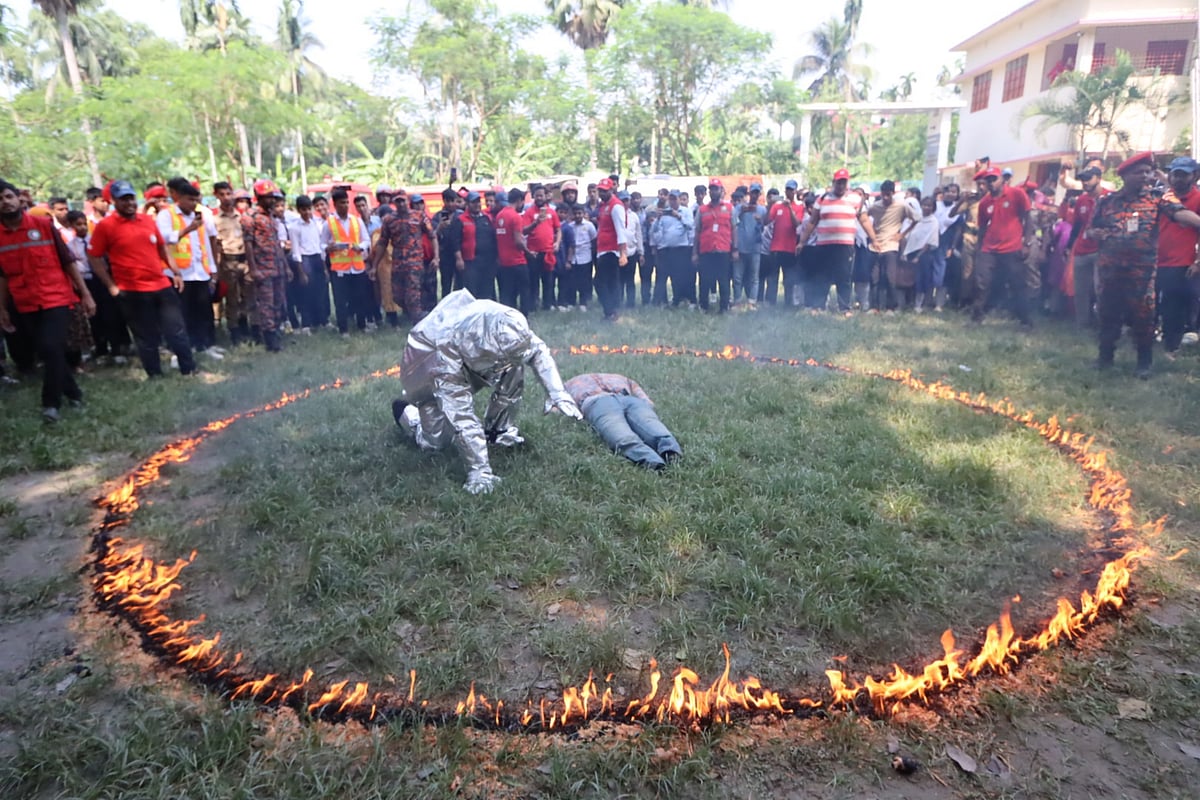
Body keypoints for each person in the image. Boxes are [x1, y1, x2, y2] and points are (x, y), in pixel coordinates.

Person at [390, 289, 583, 494]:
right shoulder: (444, 357)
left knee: (513, 365)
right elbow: (462, 416)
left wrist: (557, 392)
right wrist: (480, 471)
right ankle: (408, 415)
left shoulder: (504, 323)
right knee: (436, 442)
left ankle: (497, 431)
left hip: (474, 360)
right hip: (425, 377)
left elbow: (536, 351)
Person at [1088, 152, 1200, 378]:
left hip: (1141, 272)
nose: (1146, 176)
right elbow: (1090, 230)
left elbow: (1181, 215)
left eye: (1148, 172)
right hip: (1110, 269)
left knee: (1143, 317)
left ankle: (1144, 362)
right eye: (1139, 172)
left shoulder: (1158, 198)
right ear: (1125, 175)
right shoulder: (1106, 201)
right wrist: (1096, 233)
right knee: (1108, 314)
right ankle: (1105, 358)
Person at [0, 180, 95, 422]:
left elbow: (68, 262)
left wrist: (85, 294)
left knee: (51, 347)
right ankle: (74, 393)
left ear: (18, 198)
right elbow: (2, 276)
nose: (5, 202)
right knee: (46, 351)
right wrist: (2, 307)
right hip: (24, 302)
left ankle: (50, 404)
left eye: (8, 196)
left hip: (56, 298)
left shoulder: (43, 225)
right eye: (0, 199)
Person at [87, 180, 196, 376]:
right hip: (132, 290)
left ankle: (188, 369)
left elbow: (162, 247)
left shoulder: (146, 220)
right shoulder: (106, 226)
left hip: (161, 284)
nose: (129, 203)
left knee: (176, 329)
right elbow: (94, 256)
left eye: (131, 198)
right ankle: (155, 374)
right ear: (114, 201)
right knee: (146, 336)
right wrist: (111, 285)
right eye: (123, 200)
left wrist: (176, 272)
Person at [563, 372, 682, 470]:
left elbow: (634, 386)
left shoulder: (618, 377)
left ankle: (671, 453)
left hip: (627, 398)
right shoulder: (568, 384)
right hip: (597, 401)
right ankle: (653, 462)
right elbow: (557, 401)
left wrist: (645, 401)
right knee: (619, 433)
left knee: (651, 424)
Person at [799, 169, 877, 313]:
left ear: (847, 183)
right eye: (838, 182)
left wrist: (874, 239)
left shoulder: (855, 199)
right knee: (822, 276)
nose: (841, 185)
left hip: (845, 245)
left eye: (843, 182)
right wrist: (802, 242)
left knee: (844, 277)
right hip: (824, 244)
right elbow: (812, 222)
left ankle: (844, 308)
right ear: (834, 182)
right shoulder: (822, 199)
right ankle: (819, 306)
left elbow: (864, 220)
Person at [158, 181, 221, 359]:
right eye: (190, 199)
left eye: (196, 199)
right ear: (178, 198)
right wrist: (187, 229)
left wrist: (213, 268)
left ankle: (204, 345)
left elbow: (206, 243)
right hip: (178, 274)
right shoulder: (167, 215)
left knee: (203, 310)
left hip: (199, 271)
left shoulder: (199, 217)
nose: (193, 203)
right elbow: (164, 238)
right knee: (182, 313)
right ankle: (183, 349)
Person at [972, 166, 1032, 327]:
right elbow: (983, 227)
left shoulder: (1017, 194)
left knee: (1017, 283)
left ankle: (1025, 320)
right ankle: (976, 317)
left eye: (994, 179)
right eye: (988, 180)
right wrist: (979, 248)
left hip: (1012, 247)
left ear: (1002, 180)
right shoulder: (985, 202)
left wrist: (1027, 243)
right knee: (981, 282)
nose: (991, 183)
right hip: (989, 248)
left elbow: (1028, 218)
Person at [1158, 157, 1200, 360]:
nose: (1178, 179)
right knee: (1160, 304)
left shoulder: (1198, 199)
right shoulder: (1162, 198)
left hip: (1184, 262)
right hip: (1157, 260)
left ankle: (1172, 347)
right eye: (1175, 174)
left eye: (1183, 174)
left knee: (1176, 305)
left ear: (1194, 176)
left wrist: (1198, 262)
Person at [242, 180, 289, 351]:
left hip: (277, 267)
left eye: (273, 197)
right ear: (259, 197)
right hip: (262, 268)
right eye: (269, 197)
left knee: (278, 302)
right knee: (266, 304)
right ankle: (270, 340)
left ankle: (276, 333)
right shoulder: (250, 217)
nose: (272, 200)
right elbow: (248, 244)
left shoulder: (271, 217)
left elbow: (277, 243)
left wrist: (285, 266)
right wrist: (253, 268)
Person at [323, 186, 372, 336]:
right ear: (335, 204)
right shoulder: (329, 223)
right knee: (340, 301)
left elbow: (366, 240)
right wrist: (329, 247)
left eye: (346, 202)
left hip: (357, 266)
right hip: (339, 268)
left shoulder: (356, 221)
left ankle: (362, 326)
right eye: (341, 203)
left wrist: (361, 247)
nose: (344, 206)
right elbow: (322, 244)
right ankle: (343, 329)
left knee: (360, 298)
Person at [213, 181, 254, 344]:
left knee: (247, 296)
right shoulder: (215, 220)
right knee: (231, 299)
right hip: (227, 262)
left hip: (244, 261)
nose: (226, 198)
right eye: (222, 194)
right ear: (216, 195)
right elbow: (215, 246)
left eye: (228, 194)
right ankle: (234, 331)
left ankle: (246, 328)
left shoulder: (242, 218)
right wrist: (216, 269)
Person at [1066, 167, 1105, 328]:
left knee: (1101, 289)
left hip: (1101, 250)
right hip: (1082, 249)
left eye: (1088, 178)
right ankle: (1082, 324)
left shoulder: (1109, 197)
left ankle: (1105, 324)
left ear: (1098, 178)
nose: (1085, 182)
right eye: (1083, 179)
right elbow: (1076, 225)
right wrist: (1069, 246)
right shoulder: (1081, 200)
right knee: (1080, 290)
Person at [693, 178, 736, 313]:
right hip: (706, 250)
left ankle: (724, 307)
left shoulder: (729, 208)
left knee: (724, 280)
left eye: (716, 189)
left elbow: (735, 229)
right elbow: (697, 231)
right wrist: (695, 252)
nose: (713, 191)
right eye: (711, 189)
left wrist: (735, 249)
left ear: (721, 191)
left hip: (723, 249)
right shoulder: (702, 209)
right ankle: (704, 306)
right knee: (705, 280)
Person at [650, 189, 694, 307]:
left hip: (681, 248)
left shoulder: (685, 211)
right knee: (662, 275)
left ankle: (678, 300)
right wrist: (658, 218)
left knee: (679, 276)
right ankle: (659, 301)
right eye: (671, 199)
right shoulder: (664, 213)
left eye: (675, 198)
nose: (673, 201)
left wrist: (678, 216)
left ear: (679, 199)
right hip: (666, 249)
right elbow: (654, 231)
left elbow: (690, 225)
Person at [521, 184, 561, 312]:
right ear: (533, 197)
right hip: (533, 253)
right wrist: (535, 223)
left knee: (548, 280)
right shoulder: (529, 212)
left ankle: (547, 304)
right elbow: (524, 231)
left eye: (541, 195)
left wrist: (558, 243)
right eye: (537, 195)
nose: (539, 198)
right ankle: (533, 304)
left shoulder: (552, 212)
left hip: (548, 251)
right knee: (533, 280)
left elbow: (558, 229)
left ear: (545, 196)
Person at [288, 195, 325, 331]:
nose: (307, 212)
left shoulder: (316, 224)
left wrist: (324, 265)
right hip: (305, 260)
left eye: (309, 209)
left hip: (317, 258)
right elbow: (296, 251)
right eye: (304, 210)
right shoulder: (294, 227)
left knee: (319, 292)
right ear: (299, 210)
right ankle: (306, 324)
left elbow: (320, 245)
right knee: (305, 293)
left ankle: (321, 321)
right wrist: (301, 272)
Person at [594, 178, 628, 321]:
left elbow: (621, 230)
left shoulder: (616, 206)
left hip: (612, 250)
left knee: (601, 282)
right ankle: (611, 311)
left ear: (612, 190)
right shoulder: (603, 206)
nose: (601, 193)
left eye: (604, 191)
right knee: (608, 281)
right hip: (603, 249)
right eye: (600, 190)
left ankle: (611, 310)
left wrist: (623, 253)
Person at [494, 187, 531, 314]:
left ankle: (508, 317)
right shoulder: (515, 217)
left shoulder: (500, 215)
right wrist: (529, 252)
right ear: (519, 200)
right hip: (518, 262)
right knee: (524, 292)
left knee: (507, 294)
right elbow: (518, 241)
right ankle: (524, 318)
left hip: (504, 263)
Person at [903, 196, 942, 312]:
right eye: (924, 205)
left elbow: (930, 241)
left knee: (921, 280)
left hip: (924, 255)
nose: (926, 207)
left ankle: (918, 304)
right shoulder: (916, 219)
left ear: (933, 208)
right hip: (910, 251)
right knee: (908, 278)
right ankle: (907, 302)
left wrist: (918, 256)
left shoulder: (934, 222)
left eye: (929, 205)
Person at [460, 191, 497, 301]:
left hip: (487, 261)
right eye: (473, 202)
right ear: (467, 204)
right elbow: (455, 241)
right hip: (471, 261)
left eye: (478, 202)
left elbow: (493, 238)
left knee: (486, 290)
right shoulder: (461, 219)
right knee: (472, 291)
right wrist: (459, 259)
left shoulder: (487, 218)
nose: (477, 205)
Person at [733, 183, 765, 308]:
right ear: (749, 194)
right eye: (753, 192)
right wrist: (742, 211)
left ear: (759, 194)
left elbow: (766, 225)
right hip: (740, 247)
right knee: (737, 277)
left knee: (754, 277)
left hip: (755, 247)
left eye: (757, 192)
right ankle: (737, 301)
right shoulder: (739, 207)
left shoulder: (762, 209)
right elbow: (732, 221)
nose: (755, 195)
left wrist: (760, 220)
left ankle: (752, 301)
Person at [563, 205, 596, 310]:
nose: (577, 216)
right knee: (571, 281)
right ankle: (571, 302)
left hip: (585, 257)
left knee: (584, 281)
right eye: (575, 213)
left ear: (583, 213)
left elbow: (594, 239)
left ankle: (583, 303)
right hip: (573, 257)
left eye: (579, 213)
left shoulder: (589, 225)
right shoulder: (569, 226)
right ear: (572, 214)